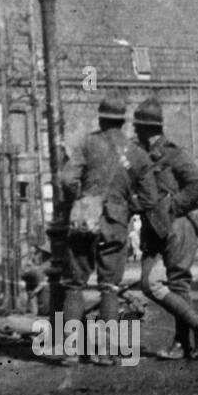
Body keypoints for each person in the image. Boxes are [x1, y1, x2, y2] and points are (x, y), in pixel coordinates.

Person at [59, 93, 158, 366]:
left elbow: (67, 178)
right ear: (124, 122)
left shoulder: (88, 144)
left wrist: (82, 199)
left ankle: (69, 351)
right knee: (110, 288)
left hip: (84, 220)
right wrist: (126, 205)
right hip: (115, 223)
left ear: (101, 119)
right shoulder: (137, 154)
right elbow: (150, 199)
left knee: (73, 285)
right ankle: (106, 352)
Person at [132, 97, 198, 360]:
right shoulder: (139, 157)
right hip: (154, 229)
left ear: (149, 130)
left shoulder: (174, 154)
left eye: (139, 128)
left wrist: (172, 206)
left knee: (178, 283)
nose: (135, 133)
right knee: (149, 283)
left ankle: (183, 343)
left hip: (179, 225)